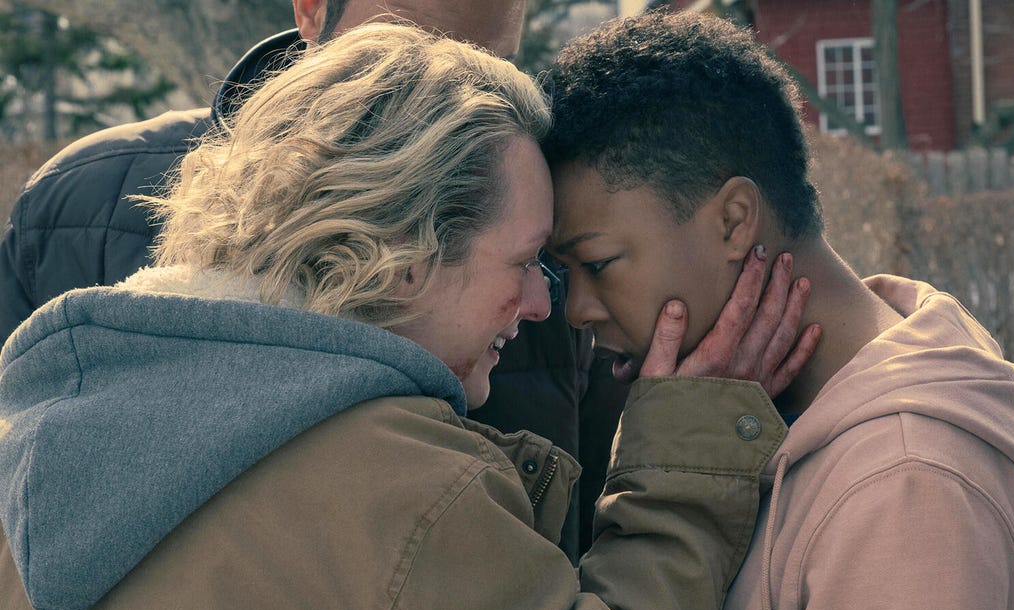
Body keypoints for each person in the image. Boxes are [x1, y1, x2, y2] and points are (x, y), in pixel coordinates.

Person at [0, 23, 816, 610]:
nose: (542, 307)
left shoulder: (42, 440)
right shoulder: (410, 490)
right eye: (527, 261)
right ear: (400, 256)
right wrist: (687, 463)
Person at [0, 0, 622, 559]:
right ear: (310, 10)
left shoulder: (554, 243)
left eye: (489, 63)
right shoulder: (78, 210)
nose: (446, 91)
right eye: (405, 40)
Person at [543, 11, 1014, 610]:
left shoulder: (906, 483)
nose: (577, 310)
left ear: (735, 220)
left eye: (598, 263)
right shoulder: (761, 416)